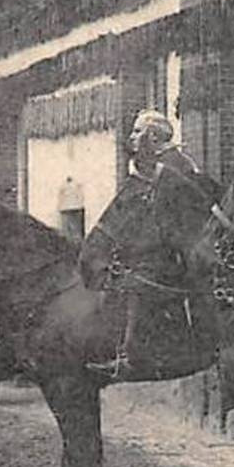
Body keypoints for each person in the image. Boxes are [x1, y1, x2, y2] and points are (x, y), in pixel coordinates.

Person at [87, 110, 211, 379]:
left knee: (140, 278)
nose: (131, 138)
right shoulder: (165, 162)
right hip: (172, 245)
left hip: (181, 252)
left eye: (136, 131)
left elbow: (176, 215)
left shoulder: (171, 165)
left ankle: (134, 356)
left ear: (152, 136)